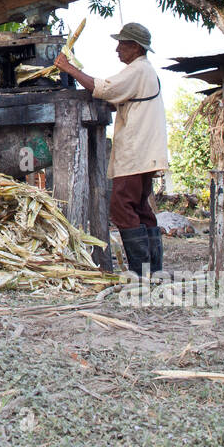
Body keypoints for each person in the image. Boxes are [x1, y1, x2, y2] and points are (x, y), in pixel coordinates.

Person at [55, 23, 168, 276]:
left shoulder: (137, 70)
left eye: (122, 44)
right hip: (146, 150)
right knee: (140, 207)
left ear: (136, 47)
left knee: (121, 205)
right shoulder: (145, 71)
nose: (117, 49)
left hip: (136, 150)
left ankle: (141, 271)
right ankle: (153, 269)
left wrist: (68, 68)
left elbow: (104, 88)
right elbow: (115, 98)